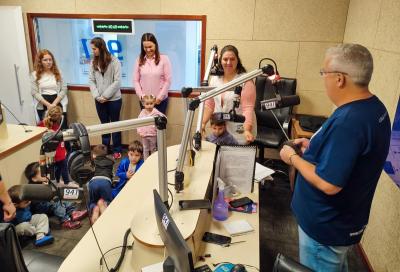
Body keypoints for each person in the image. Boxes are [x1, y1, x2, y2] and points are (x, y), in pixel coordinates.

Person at [279, 44, 391, 271]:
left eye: (324, 73)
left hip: (325, 228)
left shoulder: (349, 121)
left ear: (340, 79)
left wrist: (292, 157)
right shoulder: (374, 108)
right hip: (343, 222)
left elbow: (329, 184)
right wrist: (315, 147)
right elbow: (352, 156)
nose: (324, 79)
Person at [201, 45, 257, 144]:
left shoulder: (245, 80)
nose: (228, 62)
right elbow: (210, 104)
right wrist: (202, 123)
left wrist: (247, 130)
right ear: (220, 61)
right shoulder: (215, 79)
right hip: (220, 127)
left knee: (236, 155)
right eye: (225, 59)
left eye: (232, 59)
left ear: (237, 60)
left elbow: (247, 108)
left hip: (240, 126)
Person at [24, 162, 86, 229]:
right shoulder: (32, 188)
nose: (46, 175)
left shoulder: (46, 179)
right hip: (40, 207)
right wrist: (46, 188)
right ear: (34, 179)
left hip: (49, 201)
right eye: (42, 174)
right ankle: (65, 221)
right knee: (56, 202)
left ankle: (73, 212)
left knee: (63, 198)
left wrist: (74, 186)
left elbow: (59, 183)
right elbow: (40, 200)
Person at [89, 37, 123, 159]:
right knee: (104, 125)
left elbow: (117, 81)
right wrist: (97, 96)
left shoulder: (115, 61)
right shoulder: (93, 62)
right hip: (99, 100)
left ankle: (117, 149)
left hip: (114, 100)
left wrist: (105, 96)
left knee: (115, 124)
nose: (92, 51)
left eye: (94, 49)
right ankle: (104, 149)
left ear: (101, 48)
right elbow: (91, 81)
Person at [133, 33, 172, 114]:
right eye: (145, 47)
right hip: (145, 101)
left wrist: (160, 97)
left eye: (150, 47)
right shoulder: (139, 60)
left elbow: (168, 80)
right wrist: (141, 96)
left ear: (155, 45)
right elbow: (135, 80)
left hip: (160, 101)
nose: (148, 50)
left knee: (158, 125)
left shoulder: (164, 59)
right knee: (146, 126)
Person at [31, 49, 68, 129]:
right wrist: (48, 105)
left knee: (62, 128)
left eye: (50, 60)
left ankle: (64, 142)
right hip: (43, 104)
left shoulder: (59, 72)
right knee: (47, 129)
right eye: (45, 60)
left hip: (57, 102)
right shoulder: (34, 75)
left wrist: (54, 104)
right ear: (40, 62)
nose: (48, 62)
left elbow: (64, 89)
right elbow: (34, 92)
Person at [38, 106, 70, 185]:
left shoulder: (40, 125)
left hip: (49, 155)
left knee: (54, 170)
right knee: (62, 169)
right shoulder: (57, 127)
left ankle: (57, 182)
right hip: (59, 154)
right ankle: (64, 182)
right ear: (60, 118)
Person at [88, 144, 114, 223]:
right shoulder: (111, 161)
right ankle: (104, 205)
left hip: (94, 182)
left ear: (94, 155)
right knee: (107, 200)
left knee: (92, 201)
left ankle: (95, 208)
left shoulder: (93, 161)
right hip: (105, 182)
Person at [137, 94, 165, 159]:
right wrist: (139, 131)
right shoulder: (142, 112)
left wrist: (160, 121)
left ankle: (153, 160)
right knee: (145, 148)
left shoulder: (156, 112)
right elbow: (138, 122)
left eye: (151, 103)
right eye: (147, 104)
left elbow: (164, 118)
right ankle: (146, 162)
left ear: (154, 103)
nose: (149, 106)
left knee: (153, 148)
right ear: (143, 104)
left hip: (153, 134)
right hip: (144, 135)